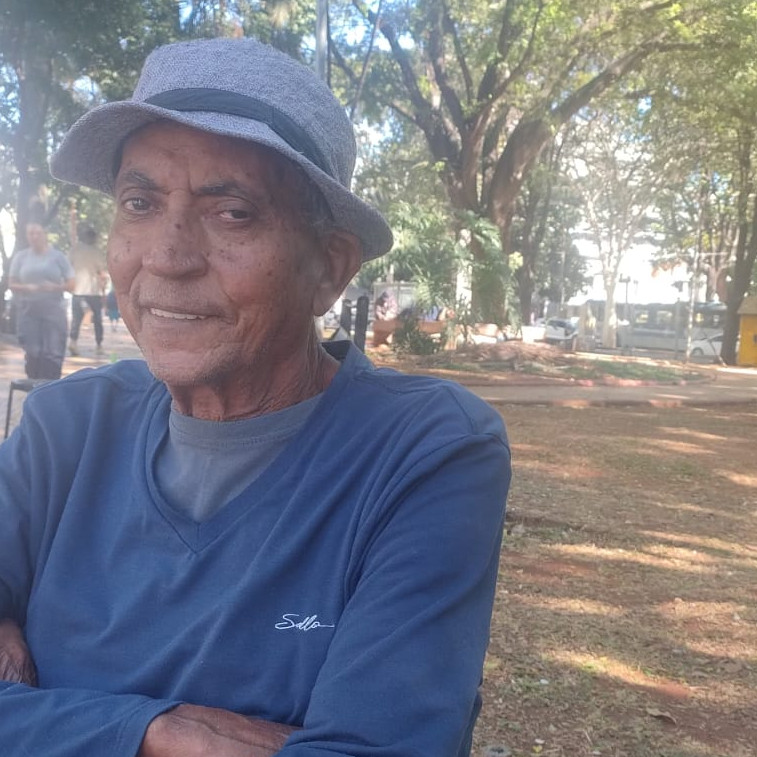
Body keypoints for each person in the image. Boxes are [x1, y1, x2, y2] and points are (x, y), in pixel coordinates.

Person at [0, 37, 511, 757]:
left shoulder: (423, 451)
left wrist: (41, 719)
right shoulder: (68, 427)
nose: (167, 257)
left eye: (232, 212)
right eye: (139, 203)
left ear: (328, 268)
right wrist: (158, 731)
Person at [8, 221, 75, 379]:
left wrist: (55, 287)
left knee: (53, 353)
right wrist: (27, 287)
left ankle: (51, 387)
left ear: (45, 234)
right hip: (28, 311)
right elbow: (11, 283)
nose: (35, 237)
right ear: (27, 236)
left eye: (38, 233)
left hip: (53, 311)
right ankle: (34, 388)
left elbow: (72, 285)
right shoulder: (21, 257)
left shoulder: (58, 257)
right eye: (31, 233)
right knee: (33, 353)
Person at [68, 223, 107, 356]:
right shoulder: (97, 252)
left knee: (76, 318)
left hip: (77, 290)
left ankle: (73, 342)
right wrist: (103, 291)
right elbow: (102, 274)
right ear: (93, 238)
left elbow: (68, 267)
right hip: (93, 291)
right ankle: (99, 345)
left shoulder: (74, 250)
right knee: (97, 319)